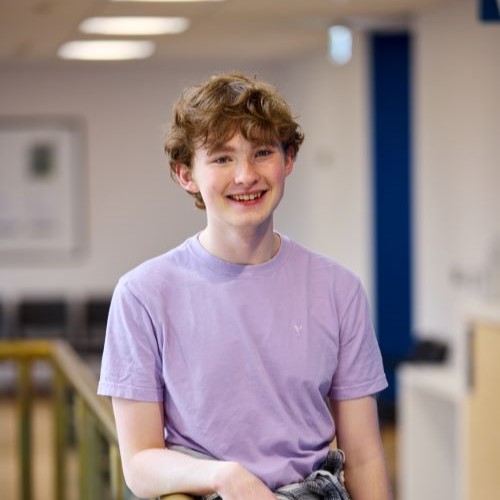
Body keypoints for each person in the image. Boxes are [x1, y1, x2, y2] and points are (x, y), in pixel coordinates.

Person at [98, 72, 392, 500]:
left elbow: (364, 457)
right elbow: (140, 462)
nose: (245, 175)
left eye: (262, 152)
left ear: (288, 160)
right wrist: (225, 476)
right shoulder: (143, 293)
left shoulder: (338, 289)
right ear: (186, 174)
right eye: (221, 158)